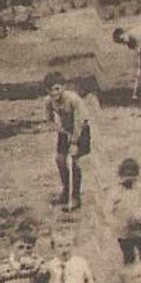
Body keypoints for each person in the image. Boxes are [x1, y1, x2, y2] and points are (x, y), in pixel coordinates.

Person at [44, 73, 90, 210]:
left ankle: (75, 196)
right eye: (52, 89)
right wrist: (60, 130)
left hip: (81, 129)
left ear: (63, 87)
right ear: (47, 91)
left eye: (58, 88)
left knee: (75, 162)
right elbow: (49, 120)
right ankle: (65, 191)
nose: (55, 92)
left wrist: (75, 141)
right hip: (66, 130)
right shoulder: (48, 101)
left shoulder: (73, 99)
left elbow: (80, 121)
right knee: (59, 159)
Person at [109, 157, 141, 283]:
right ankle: (130, 281)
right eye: (125, 176)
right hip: (125, 232)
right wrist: (118, 223)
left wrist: (140, 216)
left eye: (132, 176)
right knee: (128, 258)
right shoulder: (115, 192)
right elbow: (108, 211)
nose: (128, 180)